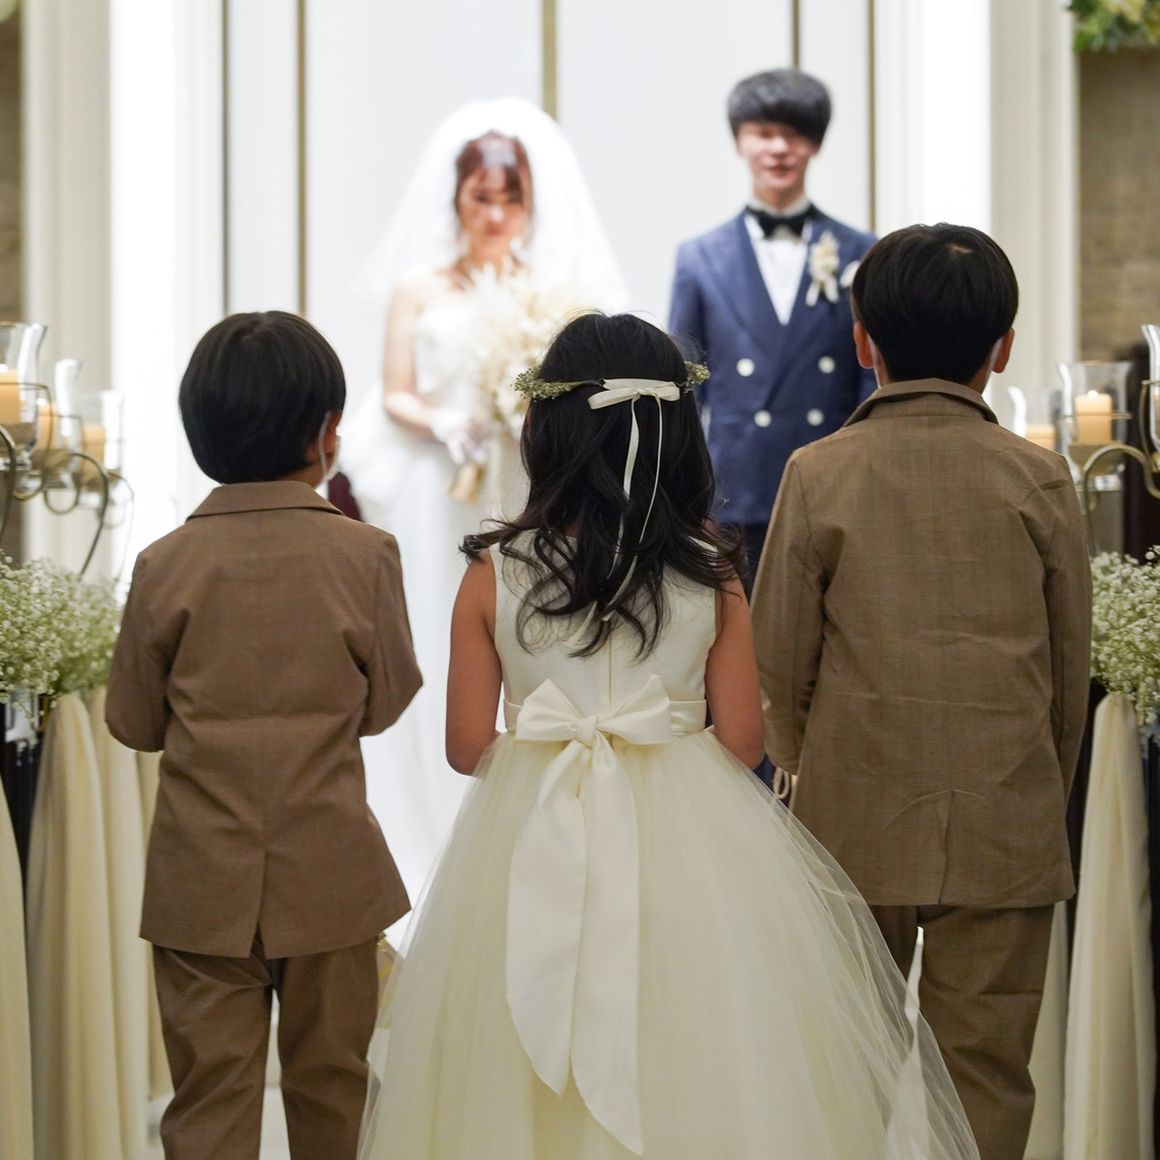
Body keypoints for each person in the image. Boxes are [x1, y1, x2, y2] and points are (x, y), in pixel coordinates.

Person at [357, 312, 979, 1160]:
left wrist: (552, 750)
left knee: (518, 1028)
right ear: (679, 433)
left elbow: (466, 746)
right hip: (689, 844)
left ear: (546, 428)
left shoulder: (491, 572)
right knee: (697, 1041)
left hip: (532, 829)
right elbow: (745, 741)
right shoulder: (709, 571)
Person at [752, 225, 1092, 1160]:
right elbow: (1068, 675)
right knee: (986, 1075)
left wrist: (806, 768)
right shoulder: (1041, 478)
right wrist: (1038, 794)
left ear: (863, 340)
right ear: (1003, 348)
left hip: (852, 817)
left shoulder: (818, 472)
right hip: (1005, 816)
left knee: (845, 1071)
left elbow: (779, 659)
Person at [105, 312, 422, 1160]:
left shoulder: (163, 563)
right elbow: (388, 701)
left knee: (208, 1100)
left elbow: (133, 722)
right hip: (331, 870)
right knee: (335, 1091)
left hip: (200, 880)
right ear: (326, 431)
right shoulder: (367, 554)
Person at [342, 99, 626, 915]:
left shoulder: (549, 293)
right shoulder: (418, 287)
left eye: (510, 199)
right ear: (458, 199)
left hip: (523, 480)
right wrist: (447, 422)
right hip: (440, 486)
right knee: (441, 628)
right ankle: (427, 818)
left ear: (529, 203)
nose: (496, 215)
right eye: (481, 198)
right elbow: (396, 391)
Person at [669, 67, 875, 581]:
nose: (779, 149)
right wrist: (682, 493)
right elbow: (684, 390)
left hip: (832, 483)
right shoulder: (699, 258)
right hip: (734, 491)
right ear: (739, 141)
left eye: (794, 134)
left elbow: (870, 379)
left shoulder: (861, 251)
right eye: (763, 133)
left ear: (816, 143)